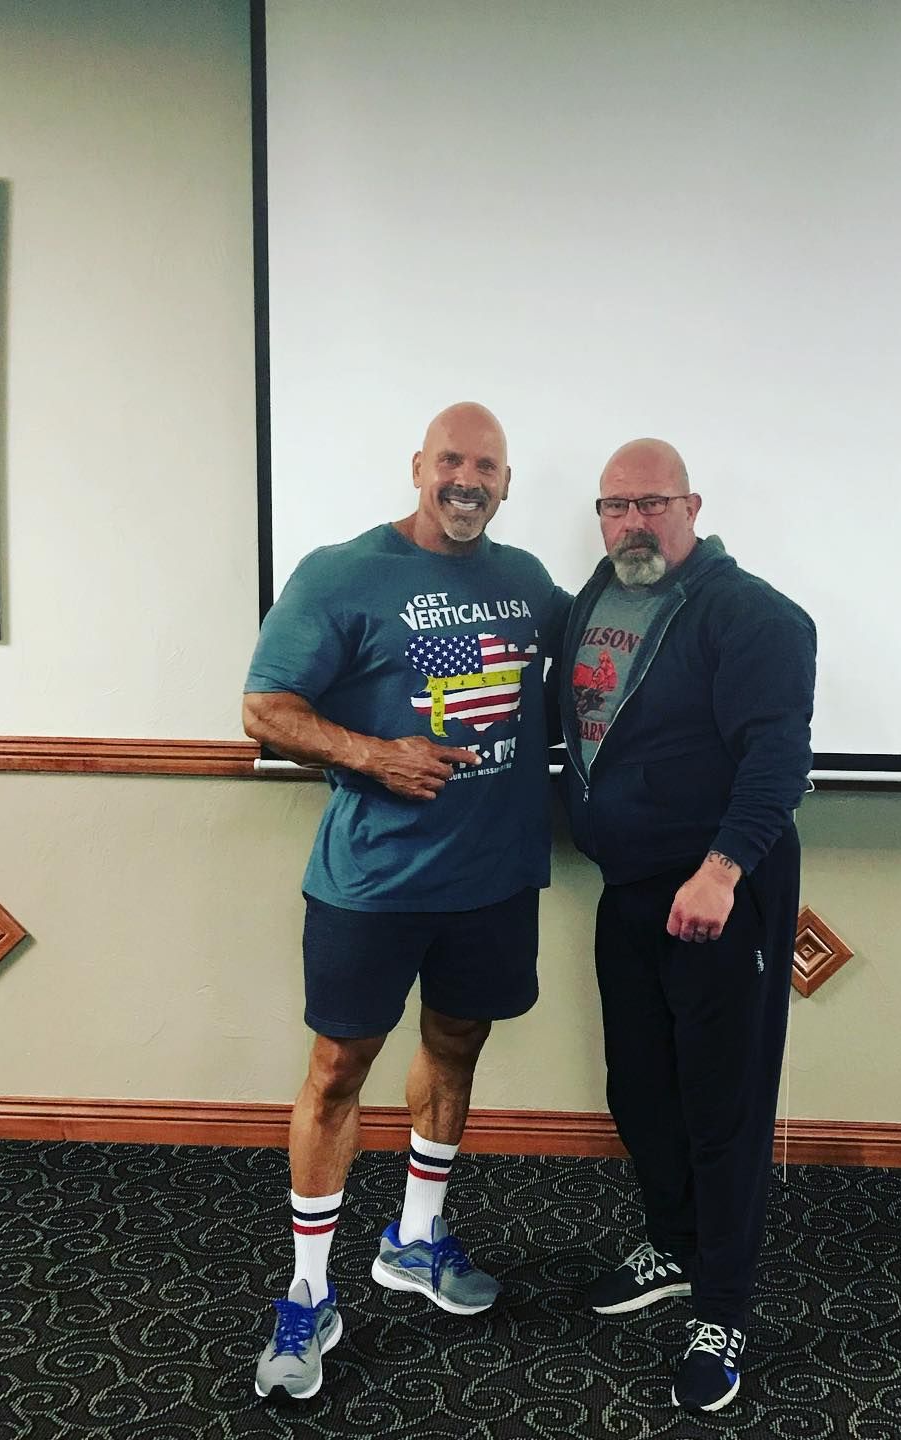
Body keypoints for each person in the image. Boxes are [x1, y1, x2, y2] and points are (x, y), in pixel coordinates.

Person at [243, 402, 566, 1401]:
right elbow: (264, 705)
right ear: (418, 468)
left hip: (494, 878)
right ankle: (307, 1295)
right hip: (372, 883)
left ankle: (415, 1239)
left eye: (488, 467)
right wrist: (372, 754)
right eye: (451, 462)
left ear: (508, 485)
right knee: (338, 1069)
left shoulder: (527, 585)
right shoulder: (341, 573)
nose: (468, 480)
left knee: (458, 1047)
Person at [557, 438, 816, 1413]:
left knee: (723, 1105)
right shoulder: (595, 600)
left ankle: (724, 1305)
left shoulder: (752, 615)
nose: (631, 523)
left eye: (650, 504)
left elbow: (777, 758)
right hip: (630, 889)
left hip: (717, 892)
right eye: (614, 507)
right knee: (639, 1089)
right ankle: (670, 1241)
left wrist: (720, 870)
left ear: (692, 505)